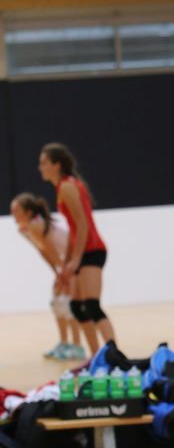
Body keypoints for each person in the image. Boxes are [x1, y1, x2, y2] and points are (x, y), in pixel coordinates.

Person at [38, 143, 115, 356]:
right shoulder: (63, 187)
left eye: (44, 163)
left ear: (56, 165)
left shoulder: (67, 187)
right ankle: (96, 357)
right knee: (77, 307)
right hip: (84, 252)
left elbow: (83, 225)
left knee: (91, 306)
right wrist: (66, 264)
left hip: (93, 251)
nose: (40, 167)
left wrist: (76, 259)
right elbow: (74, 230)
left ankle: (115, 356)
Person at [10, 193, 86, 361]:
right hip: (63, 264)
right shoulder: (24, 230)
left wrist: (63, 273)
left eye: (16, 211)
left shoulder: (36, 225)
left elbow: (50, 249)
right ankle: (64, 344)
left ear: (29, 212)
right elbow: (43, 251)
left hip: (73, 260)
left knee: (68, 303)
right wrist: (57, 273)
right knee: (57, 302)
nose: (12, 214)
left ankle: (77, 346)